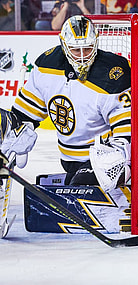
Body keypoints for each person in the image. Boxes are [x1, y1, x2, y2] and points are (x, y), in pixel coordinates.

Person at [0, 15, 131, 190]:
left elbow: (130, 127)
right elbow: (24, 114)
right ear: (64, 45)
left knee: (79, 186)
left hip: (103, 159)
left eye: (88, 48)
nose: (83, 56)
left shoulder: (114, 73)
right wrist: (15, 131)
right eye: (76, 50)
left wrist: (119, 158)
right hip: (69, 160)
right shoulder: (47, 66)